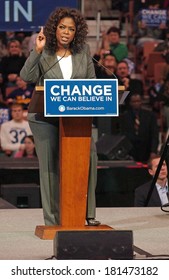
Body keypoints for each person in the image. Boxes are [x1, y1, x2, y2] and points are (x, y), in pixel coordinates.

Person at [20, 7, 100, 226]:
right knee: (50, 168)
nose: (66, 32)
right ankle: (53, 219)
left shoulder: (83, 50)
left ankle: (86, 214)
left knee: (89, 159)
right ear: (54, 28)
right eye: (62, 27)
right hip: (44, 118)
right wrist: (36, 51)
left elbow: (92, 83)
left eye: (71, 29)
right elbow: (26, 77)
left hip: (76, 120)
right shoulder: (44, 51)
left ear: (77, 32)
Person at [120, 93, 159, 162]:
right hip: (130, 152)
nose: (136, 103)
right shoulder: (125, 116)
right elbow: (122, 135)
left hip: (146, 150)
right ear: (130, 103)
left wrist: (153, 151)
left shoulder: (150, 116)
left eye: (138, 101)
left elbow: (154, 135)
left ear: (141, 102)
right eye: (134, 102)